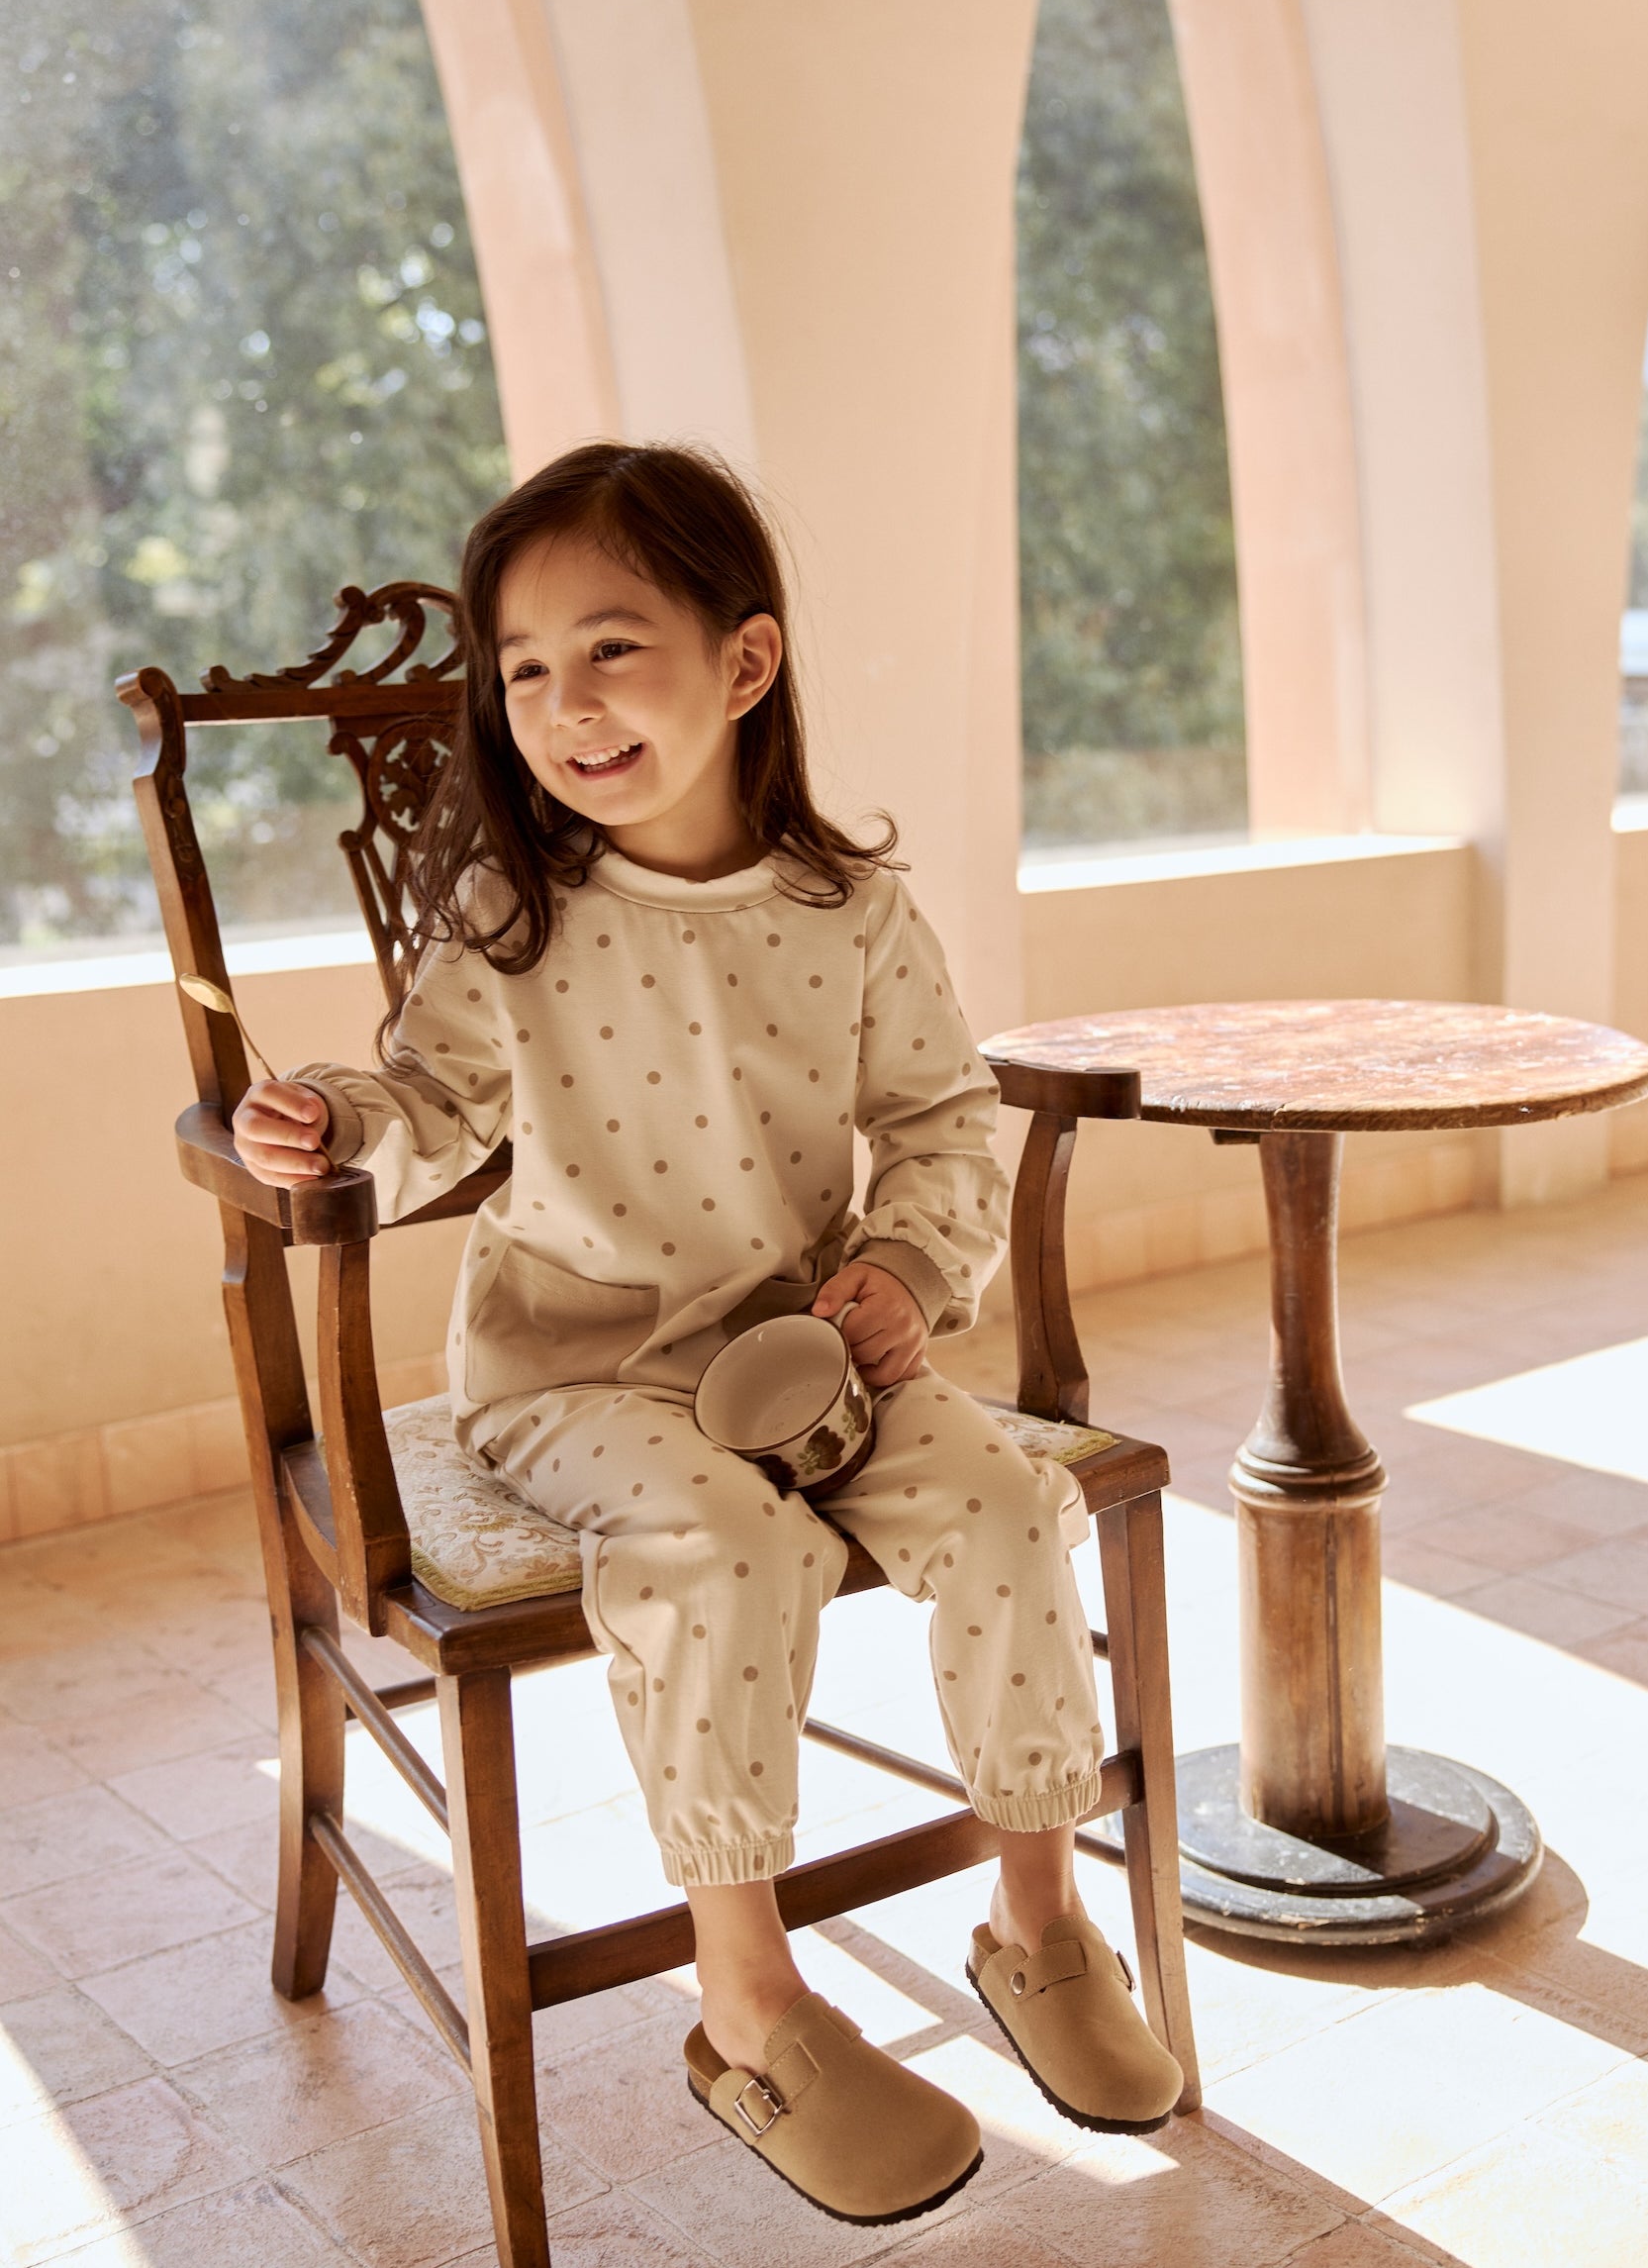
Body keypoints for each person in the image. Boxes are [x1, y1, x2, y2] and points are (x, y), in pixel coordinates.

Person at [233, 442, 1182, 2224]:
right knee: (720, 1545)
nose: (564, 704)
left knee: (994, 1496)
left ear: (742, 666)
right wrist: (339, 1121)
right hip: (569, 1379)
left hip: (809, 1353)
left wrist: (905, 1270)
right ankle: (747, 2003)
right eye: (523, 669)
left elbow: (938, 1117)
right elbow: (426, 1100)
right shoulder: (515, 918)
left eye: (610, 648)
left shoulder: (850, 911)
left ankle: (1036, 1921)